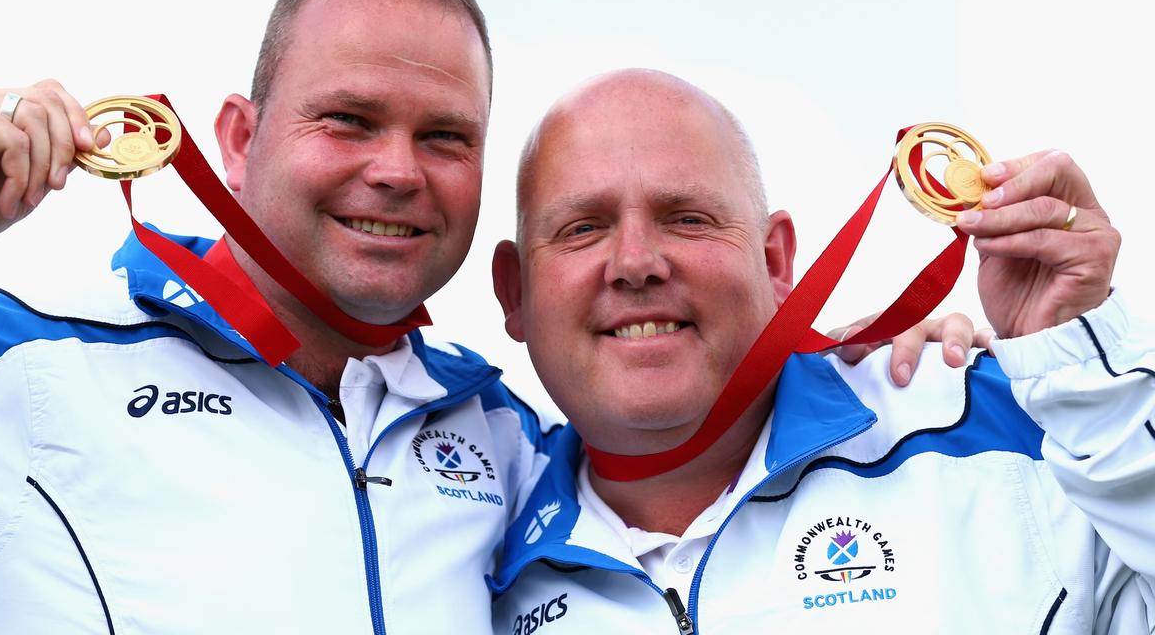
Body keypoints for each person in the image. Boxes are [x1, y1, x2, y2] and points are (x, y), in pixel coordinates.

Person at [0, 0, 977, 632]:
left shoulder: (497, 437)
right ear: (238, 140)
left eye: (443, 137)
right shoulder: (7, 370)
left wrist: (853, 360)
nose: (395, 170)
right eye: (347, 119)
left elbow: (682, 457)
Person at [489, 69, 1153, 634]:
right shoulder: (473, 548)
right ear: (515, 292)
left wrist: (1087, 375)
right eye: (583, 228)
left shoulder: (1005, 436)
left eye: (687, 218)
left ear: (776, 262)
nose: (635, 264)